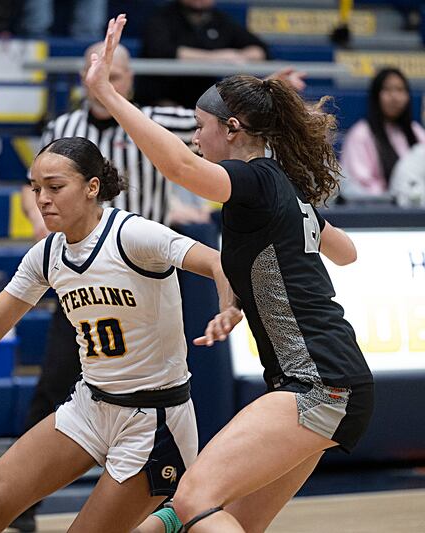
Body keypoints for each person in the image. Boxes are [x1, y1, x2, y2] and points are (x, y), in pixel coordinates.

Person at [89, 15, 374, 533]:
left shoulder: (256, 179)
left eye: (200, 127)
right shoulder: (281, 187)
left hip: (318, 382)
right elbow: (346, 252)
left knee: (195, 497)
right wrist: (241, 301)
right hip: (330, 378)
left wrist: (107, 94)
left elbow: (178, 169)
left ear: (232, 128)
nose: (195, 138)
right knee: (204, 517)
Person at [0, 136, 236, 533]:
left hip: (154, 421)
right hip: (90, 405)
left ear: (91, 187)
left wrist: (228, 308)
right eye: (35, 189)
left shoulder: (134, 235)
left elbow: (219, 263)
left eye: (54, 187)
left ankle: (172, 517)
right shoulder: (47, 254)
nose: (42, 199)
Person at [13, 40, 210, 531]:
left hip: (144, 276)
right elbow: (29, 184)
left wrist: (271, 97)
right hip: (81, 275)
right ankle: (23, 508)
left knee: (157, 386)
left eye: (114, 76)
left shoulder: (158, 120)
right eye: (95, 74)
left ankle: (174, 499)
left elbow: (221, 132)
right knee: (53, 384)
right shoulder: (62, 130)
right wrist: (38, 221)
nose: (104, 84)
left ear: (129, 82)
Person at [136, 0, 269, 109]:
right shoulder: (161, 17)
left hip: (205, 105)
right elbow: (160, 49)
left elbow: (260, 50)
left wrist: (238, 56)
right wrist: (215, 57)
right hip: (161, 101)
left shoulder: (221, 20)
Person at [339, 67, 425, 199]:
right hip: (376, 210)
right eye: (388, 90)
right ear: (376, 95)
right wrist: (391, 198)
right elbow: (357, 186)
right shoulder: (361, 134)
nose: (395, 97)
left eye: (400, 90)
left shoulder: (416, 131)